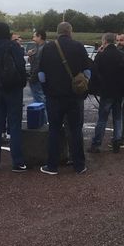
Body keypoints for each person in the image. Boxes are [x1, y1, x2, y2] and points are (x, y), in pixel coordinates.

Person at [38, 22, 90, 175]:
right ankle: (79, 165)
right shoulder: (79, 46)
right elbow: (87, 72)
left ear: (57, 32)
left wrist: (47, 89)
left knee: (54, 129)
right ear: (70, 32)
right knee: (75, 130)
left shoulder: (47, 48)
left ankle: (52, 165)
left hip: (54, 96)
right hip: (74, 96)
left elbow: (41, 75)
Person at [0, 22, 27, 172]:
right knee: (14, 125)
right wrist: (21, 82)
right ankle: (17, 161)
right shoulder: (14, 46)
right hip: (13, 88)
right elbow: (21, 66)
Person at [88, 33, 124, 154]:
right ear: (114, 40)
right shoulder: (121, 55)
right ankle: (117, 141)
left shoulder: (101, 56)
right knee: (117, 118)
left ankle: (96, 143)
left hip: (106, 90)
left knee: (102, 119)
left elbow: (95, 72)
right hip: (119, 90)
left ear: (104, 41)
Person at [27, 29, 47, 121]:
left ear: (39, 36)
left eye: (34, 36)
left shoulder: (43, 48)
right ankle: (44, 121)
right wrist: (30, 56)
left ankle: (44, 121)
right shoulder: (37, 47)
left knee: (39, 100)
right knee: (41, 99)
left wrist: (33, 78)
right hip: (39, 78)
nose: (33, 38)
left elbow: (38, 65)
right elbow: (34, 62)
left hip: (37, 78)